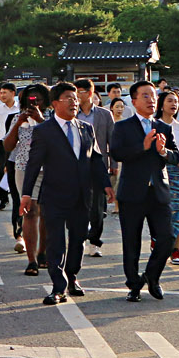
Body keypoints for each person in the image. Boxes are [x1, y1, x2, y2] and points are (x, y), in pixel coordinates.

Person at [20, 82, 111, 303]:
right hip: (54, 195)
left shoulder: (85, 128)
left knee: (78, 239)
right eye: (68, 98)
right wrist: (26, 194)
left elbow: (97, 158)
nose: (74, 102)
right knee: (56, 241)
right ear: (55, 103)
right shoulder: (44, 131)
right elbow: (33, 164)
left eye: (75, 98)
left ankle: (72, 277)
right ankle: (58, 286)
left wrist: (106, 185)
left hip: (81, 195)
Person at [109, 81, 179, 301]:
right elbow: (118, 153)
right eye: (146, 96)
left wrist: (163, 151)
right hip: (132, 192)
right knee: (131, 241)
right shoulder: (123, 126)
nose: (151, 100)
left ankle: (152, 276)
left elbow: (176, 157)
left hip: (158, 191)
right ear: (134, 101)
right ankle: (134, 284)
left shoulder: (164, 127)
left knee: (167, 238)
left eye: (153, 96)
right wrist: (144, 146)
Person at [4, 84, 50, 274]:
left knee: (46, 213)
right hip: (24, 168)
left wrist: (40, 120)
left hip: (49, 168)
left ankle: (43, 252)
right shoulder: (18, 117)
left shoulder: (52, 118)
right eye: (31, 100)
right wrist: (18, 123)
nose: (35, 103)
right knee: (29, 212)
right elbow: (7, 146)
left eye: (38, 99)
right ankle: (31, 259)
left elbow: (56, 140)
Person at [74, 79, 115, 258]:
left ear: (90, 93)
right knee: (78, 204)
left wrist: (113, 165)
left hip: (98, 165)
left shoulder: (104, 115)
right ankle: (80, 237)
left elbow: (111, 141)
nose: (76, 95)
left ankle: (95, 241)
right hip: (75, 166)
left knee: (98, 207)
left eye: (80, 91)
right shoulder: (71, 114)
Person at [155, 90, 179, 266]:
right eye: (170, 101)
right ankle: (159, 239)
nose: (174, 104)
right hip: (159, 170)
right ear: (161, 104)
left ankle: (175, 249)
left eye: (176, 102)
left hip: (178, 172)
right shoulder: (154, 125)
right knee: (162, 209)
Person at [0, 82, 19, 211]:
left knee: (13, 172)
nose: (2, 95)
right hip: (2, 142)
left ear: (13, 93)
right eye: (0, 93)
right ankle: (3, 198)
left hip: (17, 144)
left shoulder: (20, 108)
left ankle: (16, 199)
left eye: (4, 92)